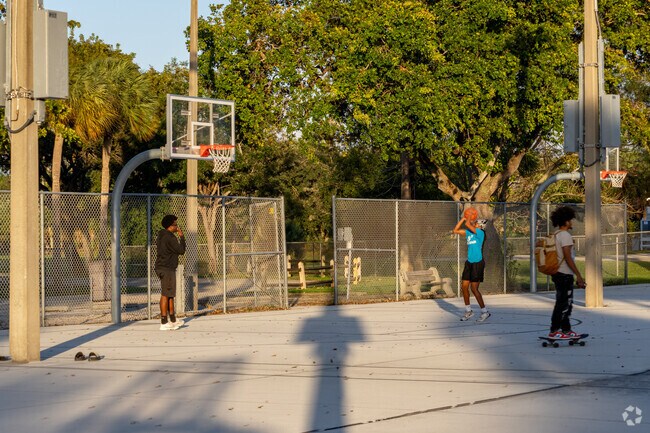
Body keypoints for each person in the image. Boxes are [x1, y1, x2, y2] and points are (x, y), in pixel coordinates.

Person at [548, 206, 585, 339]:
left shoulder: (556, 234)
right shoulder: (565, 236)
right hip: (564, 273)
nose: (572, 222)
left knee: (564, 302)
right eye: (570, 220)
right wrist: (579, 275)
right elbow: (568, 257)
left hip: (557, 273)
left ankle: (566, 330)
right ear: (566, 221)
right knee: (563, 303)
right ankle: (554, 331)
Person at [453, 215, 490, 322]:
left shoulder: (480, 233)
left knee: (474, 289)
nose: (474, 223)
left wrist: (467, 219)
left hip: (478, 263)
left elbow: (469, 224)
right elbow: (455, 230)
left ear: (481, 225)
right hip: (469, 263)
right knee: (464, 287)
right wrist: (462, 220)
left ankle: (485, 312)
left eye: (476, 222)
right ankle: (469, 311)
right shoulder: (469, 233)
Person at [155, 214, 186, 330]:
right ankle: (163, 322)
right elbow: (181, 250)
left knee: (170, 294)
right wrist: (181, 236)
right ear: (170, 226)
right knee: (165, 294)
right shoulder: (170, 237)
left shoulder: (162, 235)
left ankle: (172, 319)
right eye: (175, 225)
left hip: (165, 267)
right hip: (166, 268)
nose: (177, 227)